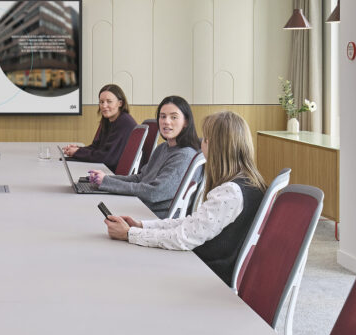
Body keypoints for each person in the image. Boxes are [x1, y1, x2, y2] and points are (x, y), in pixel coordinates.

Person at [103, 110, 266, 285]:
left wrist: (129, 234)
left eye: (205, 139)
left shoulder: (230, 192)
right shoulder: (247, 182)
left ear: (216, 146)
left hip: (204, 275)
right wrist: (141, 225)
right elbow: (192, 224)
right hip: (201, 266)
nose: (201, 143)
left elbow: (183, 238)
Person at [86, 95, 200, 218]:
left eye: (173, 117)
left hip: (154, 217)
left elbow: (154, 193)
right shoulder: (162, 148)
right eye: (162, 116)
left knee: (91, 212)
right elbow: (140, 178)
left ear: (186, 122)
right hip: (141, 206)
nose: (166, 121)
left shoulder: (185, 155)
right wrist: (105, 180)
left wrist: (107, 182)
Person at [62, 84, 137, 168]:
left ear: (120, 103)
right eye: (101, 102)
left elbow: (108, 157)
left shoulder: (124, 122)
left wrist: (77, 152)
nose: (104, 106)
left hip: (114, 174)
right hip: (105, 169)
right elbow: (96, 147)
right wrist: (78, 150)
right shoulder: (107, 120)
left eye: (109, 101)